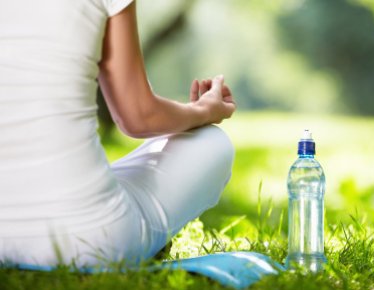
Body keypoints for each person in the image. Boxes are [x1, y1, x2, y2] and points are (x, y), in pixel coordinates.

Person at [0, 0, 236, 267]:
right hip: (90, 241)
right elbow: (138, 116)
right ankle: (150, 243)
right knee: (209, 142)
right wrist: (205, 110)